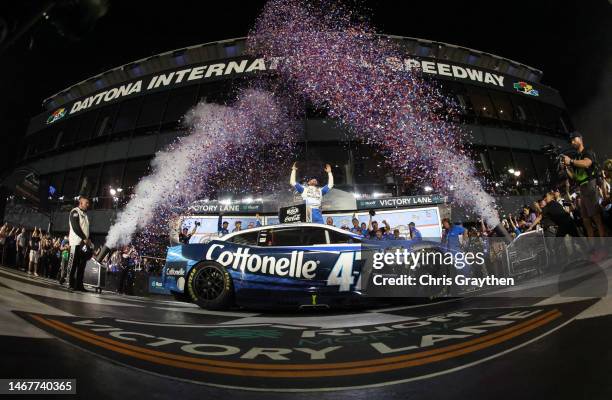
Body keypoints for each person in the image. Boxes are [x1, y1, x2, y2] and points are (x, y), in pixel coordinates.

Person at [562, 131, 606, 237]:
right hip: (582, 188)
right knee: (586, 220)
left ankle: (605, 246)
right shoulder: (577, 157)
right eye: (571, 141)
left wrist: (571, 161)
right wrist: (567, 168)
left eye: (574, 139)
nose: (572, 142)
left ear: (580, 138)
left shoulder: (587, 151)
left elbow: (587, 163)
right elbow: (575, 177)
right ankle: (593, 248)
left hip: (590, 185)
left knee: (597, 219)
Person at [66, 195, 93, 291]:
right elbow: (75, 227)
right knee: (72, 263)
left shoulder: (85, 215)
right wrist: (84, 237)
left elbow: (86, 230)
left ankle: (79, 285)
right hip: (76, 242)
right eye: (86, 203)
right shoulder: (75, 211)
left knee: (82, 265)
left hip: (83, 244)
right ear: (81, 203)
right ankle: (69, 283)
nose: (88, 205)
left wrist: (88, 240)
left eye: (88, 203)